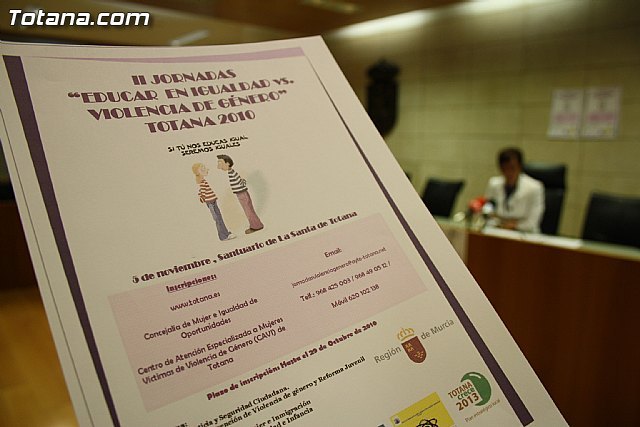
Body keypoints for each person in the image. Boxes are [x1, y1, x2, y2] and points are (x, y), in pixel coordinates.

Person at [485, 147, 544, 233]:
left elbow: (532, 222)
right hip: (498, 231)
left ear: (520, 167)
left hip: (525, 234)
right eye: (504, 168)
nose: (508, 172)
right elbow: (488, 214)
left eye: (512, 168)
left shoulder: (534, 187)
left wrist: (513, 225)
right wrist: (501, 223)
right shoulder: (494, 184)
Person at [216, 154, 264, 234]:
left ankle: (256, 226)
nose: (219, 165)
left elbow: (241, 182)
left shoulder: (232, 173)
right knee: (248, 210)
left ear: (227, 163)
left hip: (242, 194)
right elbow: (240, 181)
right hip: (241, 193)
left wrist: (242, 183)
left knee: (248, 211)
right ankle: (256, 225)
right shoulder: (231, 172)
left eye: (221, 163)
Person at [192, 162, 235, 241]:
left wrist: (202, 195)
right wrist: (202, 198)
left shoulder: (203, 181)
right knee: (217, 219)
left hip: (213, 201)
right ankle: (223, 236)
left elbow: (201, 191)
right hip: (210, 203)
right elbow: (202, 192)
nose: (206, 169)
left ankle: (225, 233)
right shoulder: (202, 182)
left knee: (219, 218)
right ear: (198, 172)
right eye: (202, 168)